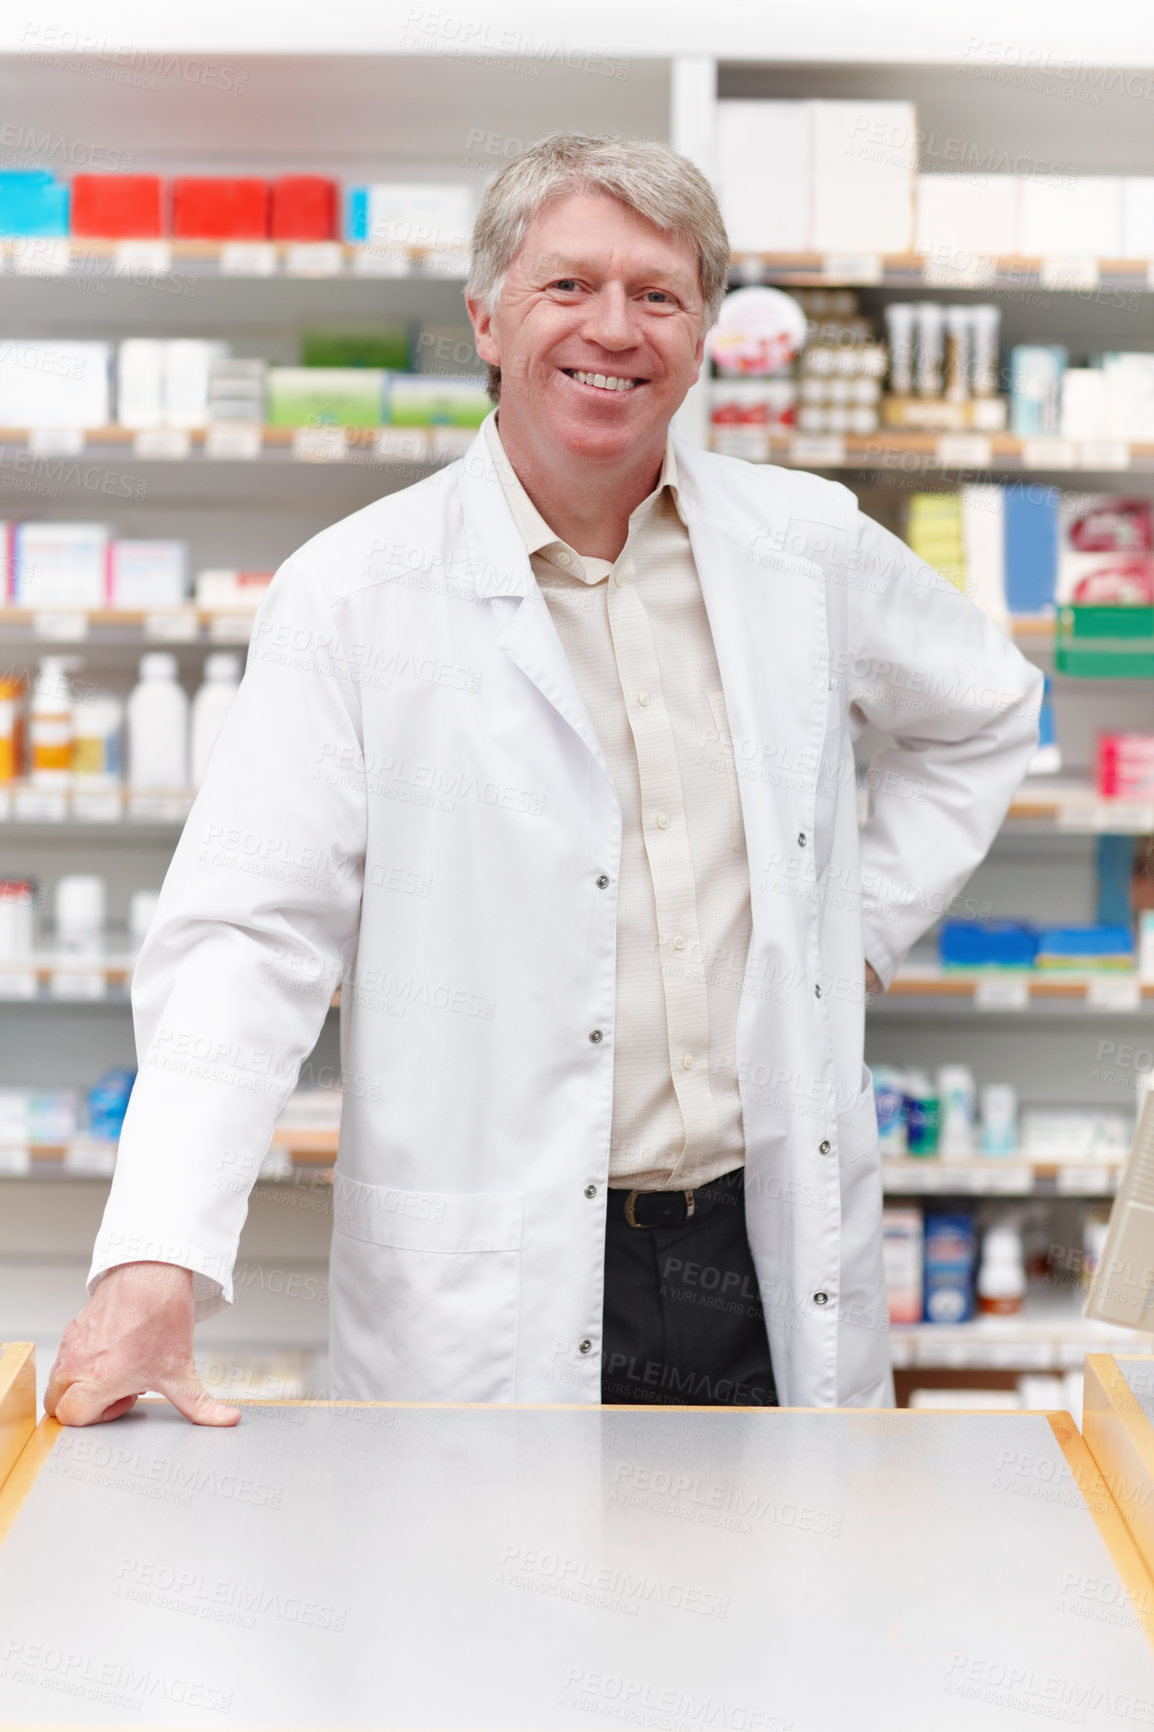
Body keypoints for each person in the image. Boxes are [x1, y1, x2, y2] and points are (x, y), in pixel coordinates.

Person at [46, 133, 1041, 1428]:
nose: (613, 329)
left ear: (701, 334)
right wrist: (154, 1254)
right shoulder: (352, 596)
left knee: (779, 1620)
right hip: (488, 1280)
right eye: (567, 286)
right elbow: (247, 935)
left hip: (759, 1245)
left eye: (658, 293)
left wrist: (842, 935)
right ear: (487, 317)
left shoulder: (804, 546)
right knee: (485, 1622)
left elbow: (986, 708)